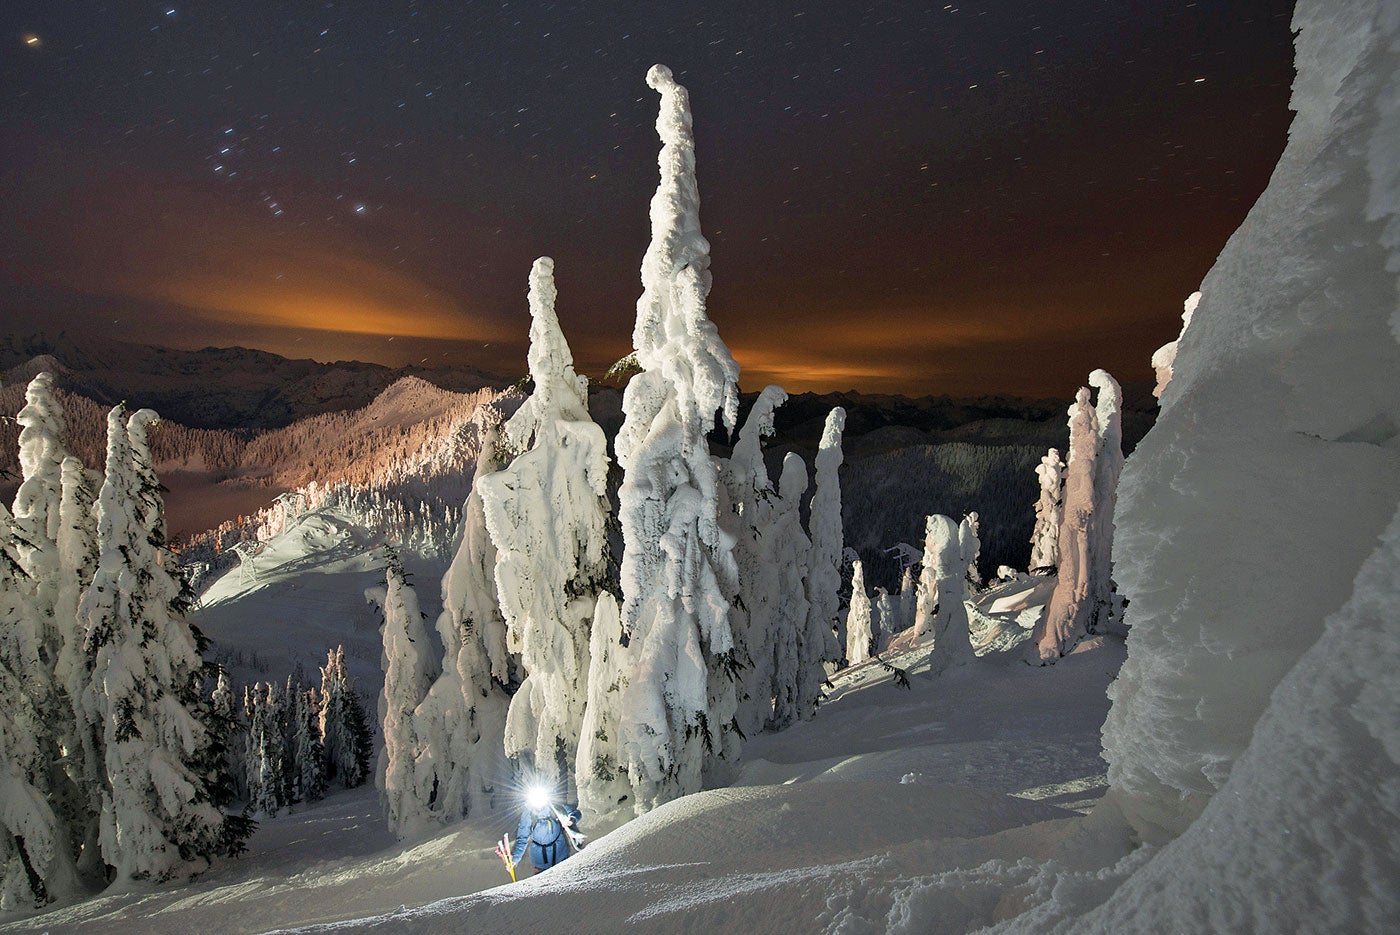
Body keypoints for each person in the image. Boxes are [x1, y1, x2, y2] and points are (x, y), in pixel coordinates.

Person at [505, 790, 581, 876]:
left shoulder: (554, 808)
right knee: (543, 885)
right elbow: (522, 838)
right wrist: (514, 859)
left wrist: (572, 820)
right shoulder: (528, 814)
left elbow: (575, 813)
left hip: (560, 855)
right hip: (540, 861)